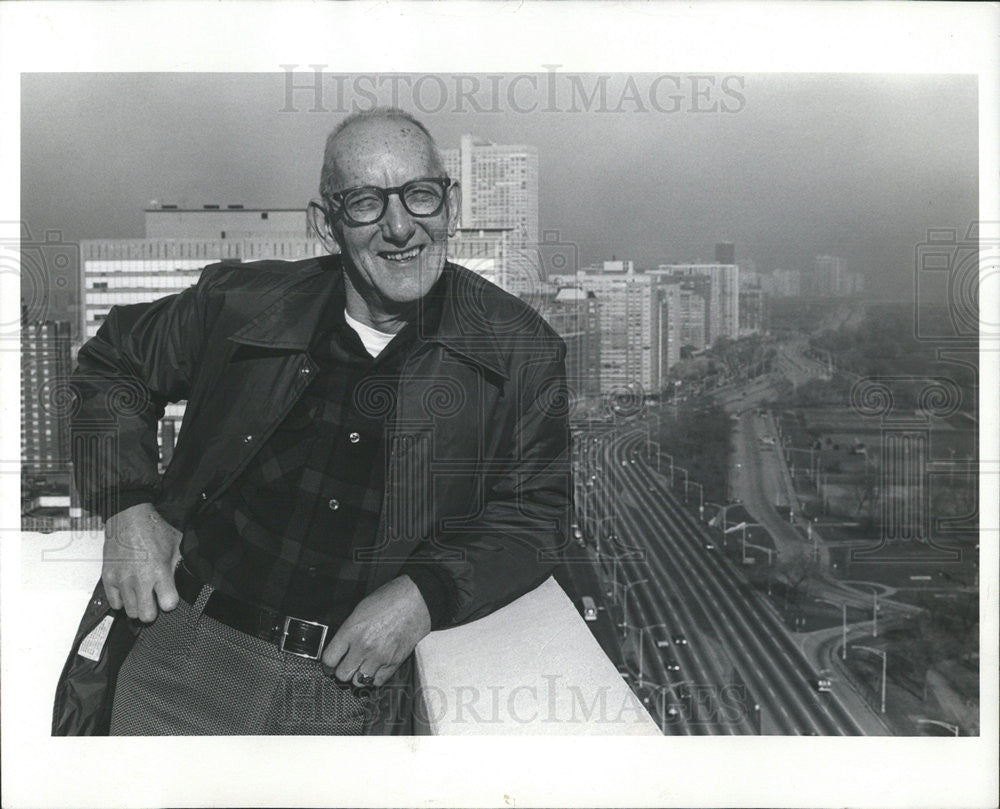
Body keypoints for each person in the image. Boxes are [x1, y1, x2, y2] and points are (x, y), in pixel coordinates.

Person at [66, 108, 571, 735]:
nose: (399, 228)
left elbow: (537, 512)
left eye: (420, 195)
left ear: (451, 205)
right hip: (189, 662)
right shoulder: (242, 304)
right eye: (364, 203)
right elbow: (113, 363)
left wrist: (425, 595)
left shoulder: (519, 349)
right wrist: (126, 506)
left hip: (357, 692)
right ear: (324, 223)